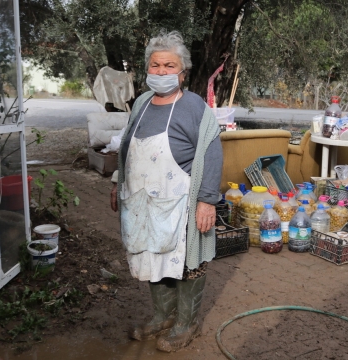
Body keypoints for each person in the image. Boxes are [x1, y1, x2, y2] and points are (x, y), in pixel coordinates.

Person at [109, 30, 223, 352]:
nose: (161, 71)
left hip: (181, 204)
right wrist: (118, 181)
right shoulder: (142, 103)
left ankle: (187, 323)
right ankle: (163, 316)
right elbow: (127, 148)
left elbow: (213, 152)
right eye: (155, 65)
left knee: (189, 262)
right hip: (143, 202)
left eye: (169, 65)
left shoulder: (194, 107)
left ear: (182, 72)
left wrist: (206, 201)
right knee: (150, 254)